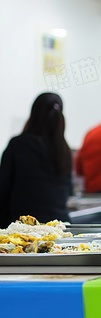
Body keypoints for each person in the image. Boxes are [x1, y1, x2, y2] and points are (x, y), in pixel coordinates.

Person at [0, 93, 72, 225]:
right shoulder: (63, 149)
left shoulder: (18, 144)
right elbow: (69, 191)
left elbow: (3, 189)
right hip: (60, 226)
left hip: (24, 227)